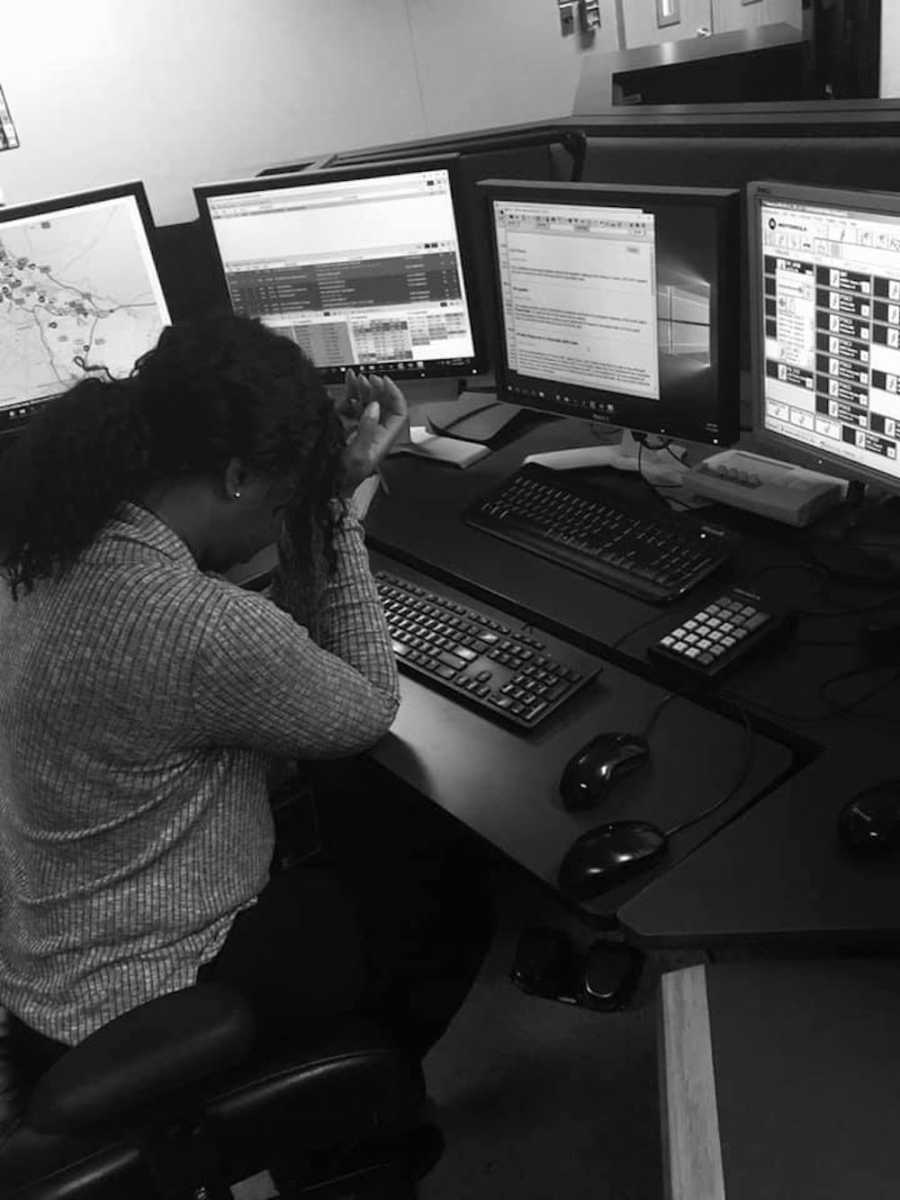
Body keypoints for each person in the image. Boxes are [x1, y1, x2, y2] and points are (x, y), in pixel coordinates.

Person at [0, 314, 493, 1062]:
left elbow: (216, 652)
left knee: (357, 822)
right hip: (151, 985)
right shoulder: (195, 623)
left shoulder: (62, 538)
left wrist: (307, 485)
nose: (275, 525)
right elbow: (365, 706)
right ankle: (355, 1116)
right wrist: (330, 505)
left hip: (54, 959)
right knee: (447, 891)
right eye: (277, 502)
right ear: (234, 475)